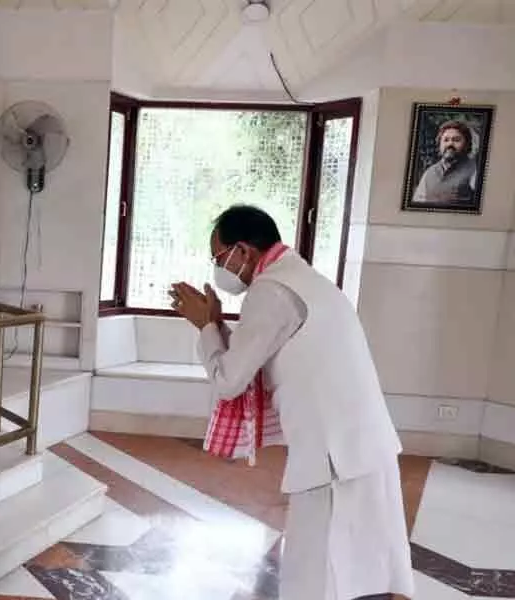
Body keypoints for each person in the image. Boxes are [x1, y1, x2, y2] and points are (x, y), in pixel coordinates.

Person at [170, 205, 413, 600]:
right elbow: (256, 356)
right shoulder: (300, 278)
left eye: (219, 257)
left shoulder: (272, 291)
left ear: (243, 251)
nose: (218, 267)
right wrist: (216, 324)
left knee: (313, 572)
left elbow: (230, 380)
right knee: (369, 562)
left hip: (334, 455)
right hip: (361, 444)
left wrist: (205, 326)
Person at [411, 120, 477, 206]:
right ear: (439, 144)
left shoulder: (474, 170)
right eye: (446, 140)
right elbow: (418, 202)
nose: (450, 144)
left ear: (467, 144)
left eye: (456, 140)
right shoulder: (430, 172)